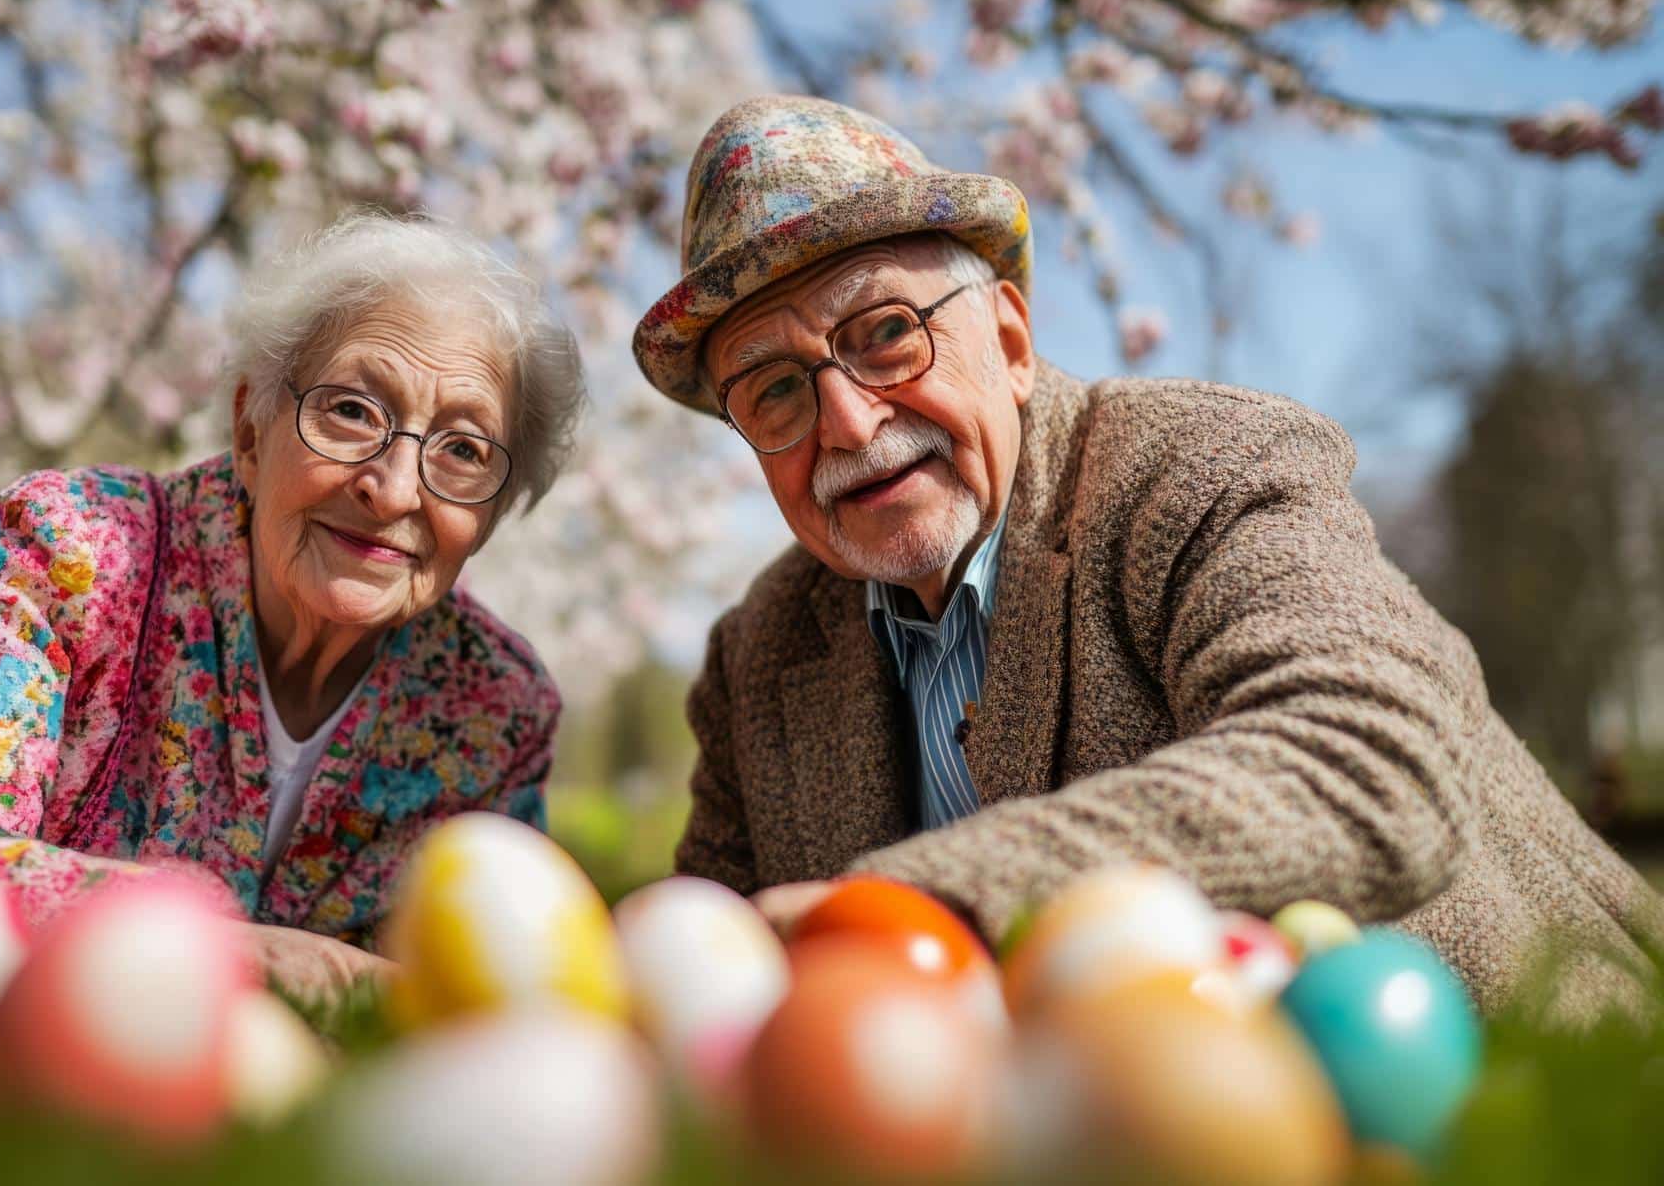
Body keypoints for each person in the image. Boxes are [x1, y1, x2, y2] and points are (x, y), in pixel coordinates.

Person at [634, 94, 1659, 1019]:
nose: (847, 424)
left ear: (1010, 340)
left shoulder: (1199, 472)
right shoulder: (756, 657)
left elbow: (1367, 763)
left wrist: (914, 903)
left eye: (886, 333)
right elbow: (710, 970)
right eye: (772, 390)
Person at [0, 211, 584, 1005]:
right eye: (351, 410)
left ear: (491, 513)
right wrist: (208, 948)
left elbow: (502, 1000)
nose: (394, 487)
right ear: (249, 429)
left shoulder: (493, 707)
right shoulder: (81, 551)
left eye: (464, 450)